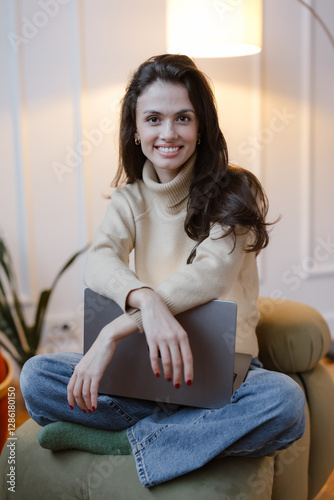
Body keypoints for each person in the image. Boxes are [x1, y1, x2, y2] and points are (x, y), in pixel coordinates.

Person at [20, 54, 306, 488]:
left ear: (201, 127)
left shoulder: (236, 191)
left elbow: (210, 274)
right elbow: (99, 261)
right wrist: (145, 300)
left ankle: (127, 441)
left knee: (284, 402)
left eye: (183, 118)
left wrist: (114, 331)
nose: (168, 133)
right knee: (36, 379)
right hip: (146, 375)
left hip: (225, 377)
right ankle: (176, 434)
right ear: (135, 130)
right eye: (153, 118)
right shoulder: (128, 200)